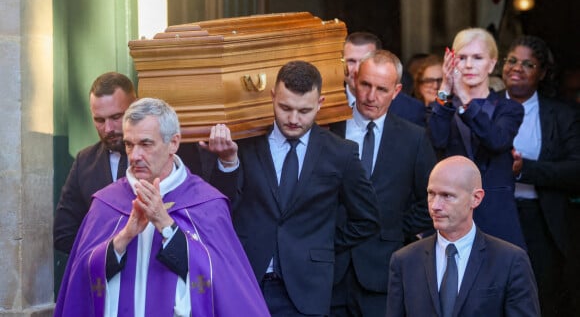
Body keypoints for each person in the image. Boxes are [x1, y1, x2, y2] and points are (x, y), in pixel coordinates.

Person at [55, 98, 269, 316]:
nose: (135, 156)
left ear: (173, 143)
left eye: (146, 144)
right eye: (129, 144)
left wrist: (165, 224)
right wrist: (124, 238)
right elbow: (82, 279)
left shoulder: (207, 202)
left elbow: (222, 280)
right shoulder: (106, 203)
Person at [201, 60, 380, 316]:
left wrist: (320, 242)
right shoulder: (244, 143)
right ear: (272, 96)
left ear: (320, 103)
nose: (293, 119)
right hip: (246, 279)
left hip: (307, 290)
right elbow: (219, 208)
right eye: (285, 108)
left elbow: (367, 219)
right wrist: (228, 162)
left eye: (304, 111)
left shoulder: (341, 153)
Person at [328, 50, 436, 317]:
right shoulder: (327, 129)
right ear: (353, 79)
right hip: (329, 266)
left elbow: (431, 200)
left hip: (383, 268)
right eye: (365, 85)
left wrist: (394, 228)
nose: (371, 96)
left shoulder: (414, 138)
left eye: (381, 89)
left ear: (396, 91)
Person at [386, 156, 540, 317]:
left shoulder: (510, 261)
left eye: (447, 195)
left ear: (476, 198)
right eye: (431, 194)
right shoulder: (404, 260)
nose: (435, 206)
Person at [428, 27, 526, 250]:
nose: (469, 65)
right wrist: (446, 88)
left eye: (477, 58)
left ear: (491, 64)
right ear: (451, 61)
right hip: (453, 217)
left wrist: (463, 97)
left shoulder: (509, 108)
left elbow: (496, 140)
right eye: (462, 58)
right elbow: (436, 140)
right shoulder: (443, 108)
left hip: (497, 216)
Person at [502, 35, 580, 316]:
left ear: (543, 73)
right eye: (511, 60)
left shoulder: (562, 115)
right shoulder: (485, 107)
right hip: (496, 218)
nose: (517, 68)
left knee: (541, 299)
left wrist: (526, 170)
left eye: (528, 64)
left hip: (542, 222)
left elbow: (575, 169)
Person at [54, 72, 137, 253]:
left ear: (135, 107)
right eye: (99, 120)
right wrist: (105, 256)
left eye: (116, 117)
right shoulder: (84, 162)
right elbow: (63, 233)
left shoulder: (161, 155)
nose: (108, 129)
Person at [342, 32, 426, 126]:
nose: (357, 69)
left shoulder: (411, 110)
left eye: (365, 61)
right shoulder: (325, 105)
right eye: (351, 61)